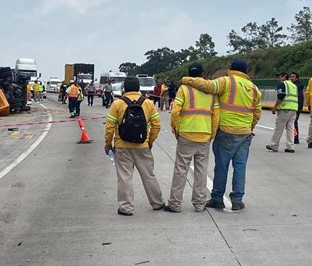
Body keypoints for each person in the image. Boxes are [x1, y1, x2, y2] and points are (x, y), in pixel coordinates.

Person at [181, 59, 261, 211]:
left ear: (231, 69)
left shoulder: (226, 82)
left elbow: (207, 85)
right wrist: (250, 127)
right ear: (246, 72)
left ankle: (217, 198)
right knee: (240, 167)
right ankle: (237, 200)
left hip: (226, 131)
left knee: (222, 166)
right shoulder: (254, 88)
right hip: (245, 133)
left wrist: (186, 79)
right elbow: (257, 112)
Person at [104, 76, 164, 216]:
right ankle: (157, 202)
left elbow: (110, 127)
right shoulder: (148, 103)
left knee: (124, 177)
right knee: (148, 175)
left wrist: (108, 143)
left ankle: (126, 207)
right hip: (142, 146)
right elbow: (156, 125)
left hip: (122, 146)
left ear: (124, 88)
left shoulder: (117, 104)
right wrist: (150, 141)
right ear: (138, 88)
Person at [164, 64, 219, 213]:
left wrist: (176, 129)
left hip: (186, 135)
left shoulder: (184, 89)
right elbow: (216, 116)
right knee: (201, 171)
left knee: (181, 170)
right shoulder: (211, 91)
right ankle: (200, 204)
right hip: (204, 136)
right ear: (203, 74)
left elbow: (175, 111)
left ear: (189, 75)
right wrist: (212, 134)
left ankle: (175, 204)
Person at [266, 72, 299, 153]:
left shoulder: (282, 84)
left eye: (279, 76)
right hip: (293, 109)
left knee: (279, 127)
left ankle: (274, 145)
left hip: (285, 109)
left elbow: (280, 97)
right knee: (290, 128)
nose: (278, 79)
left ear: (284, 76)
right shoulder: (293, 85)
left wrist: (274, 107)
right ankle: (290, 147)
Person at [290, 72, 305, 144]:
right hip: (293, 106)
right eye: (291, 76)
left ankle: (296, 138)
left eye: (293, 76)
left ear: (297, 78)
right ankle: (293, 137)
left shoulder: (297, 86)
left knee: (294, 122)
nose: (291, 78)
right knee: (292, 122)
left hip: (296, 106)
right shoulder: (293, 85)